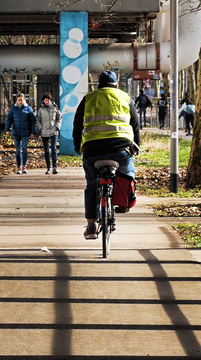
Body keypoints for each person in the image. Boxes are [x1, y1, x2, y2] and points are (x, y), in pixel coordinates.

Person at [72, 70, 143, 239]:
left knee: (91, 184)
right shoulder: (125, 98)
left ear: (99, 85)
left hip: (92, 149)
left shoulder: (88, 98)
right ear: (116, 84)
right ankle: (126, 203)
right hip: (121, 148)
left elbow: (77, 126)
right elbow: (136, 125)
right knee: (127, 173)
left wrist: (78, 147)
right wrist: (137, 146)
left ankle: (91, 225)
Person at [6, 94, 37, 174]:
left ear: (24, 100)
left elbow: (32, 122)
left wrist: (32, 132)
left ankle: (24, 166)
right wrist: (7, 129)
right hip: (16, 132)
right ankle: (19, 167)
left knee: (24, 148)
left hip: (25, 132)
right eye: (19, 100)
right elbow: (9, 120)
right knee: (18, 150)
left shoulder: (28, 109)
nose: (20, 101)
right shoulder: (13, 109)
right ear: (17, 100)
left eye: (21, 100)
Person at [34, 95, 64, 174]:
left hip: (54, 131)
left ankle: (55, 167)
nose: (47, 102)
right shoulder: (41, 109)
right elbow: (38, 119)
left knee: (53, 149)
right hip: (44, 131)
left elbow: (59, 118)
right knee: (46, 150)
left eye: (48, 100)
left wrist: (57, 127)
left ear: (51, 100)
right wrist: (40, 128)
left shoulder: (55, 108)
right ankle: (48, 167)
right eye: (45, 100)